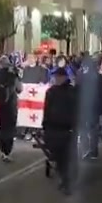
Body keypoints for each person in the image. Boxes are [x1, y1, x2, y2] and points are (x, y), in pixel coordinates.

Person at [42, 67, 79, 195]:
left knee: (64, 156)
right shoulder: (52, 92)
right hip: (57, 128)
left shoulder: (69, 91)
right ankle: (65, 179)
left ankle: (66, 180)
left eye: (57, 77)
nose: (55, 79)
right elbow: (46, 110)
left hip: (64, 128)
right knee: (61, 156)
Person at [0, 56, 22, 162]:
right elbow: (19, 89)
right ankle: (7, 151)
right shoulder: (12, 75)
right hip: (11, 104)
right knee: (10, 127)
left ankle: (2, 150)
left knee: (3, 126)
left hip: (1, 103)